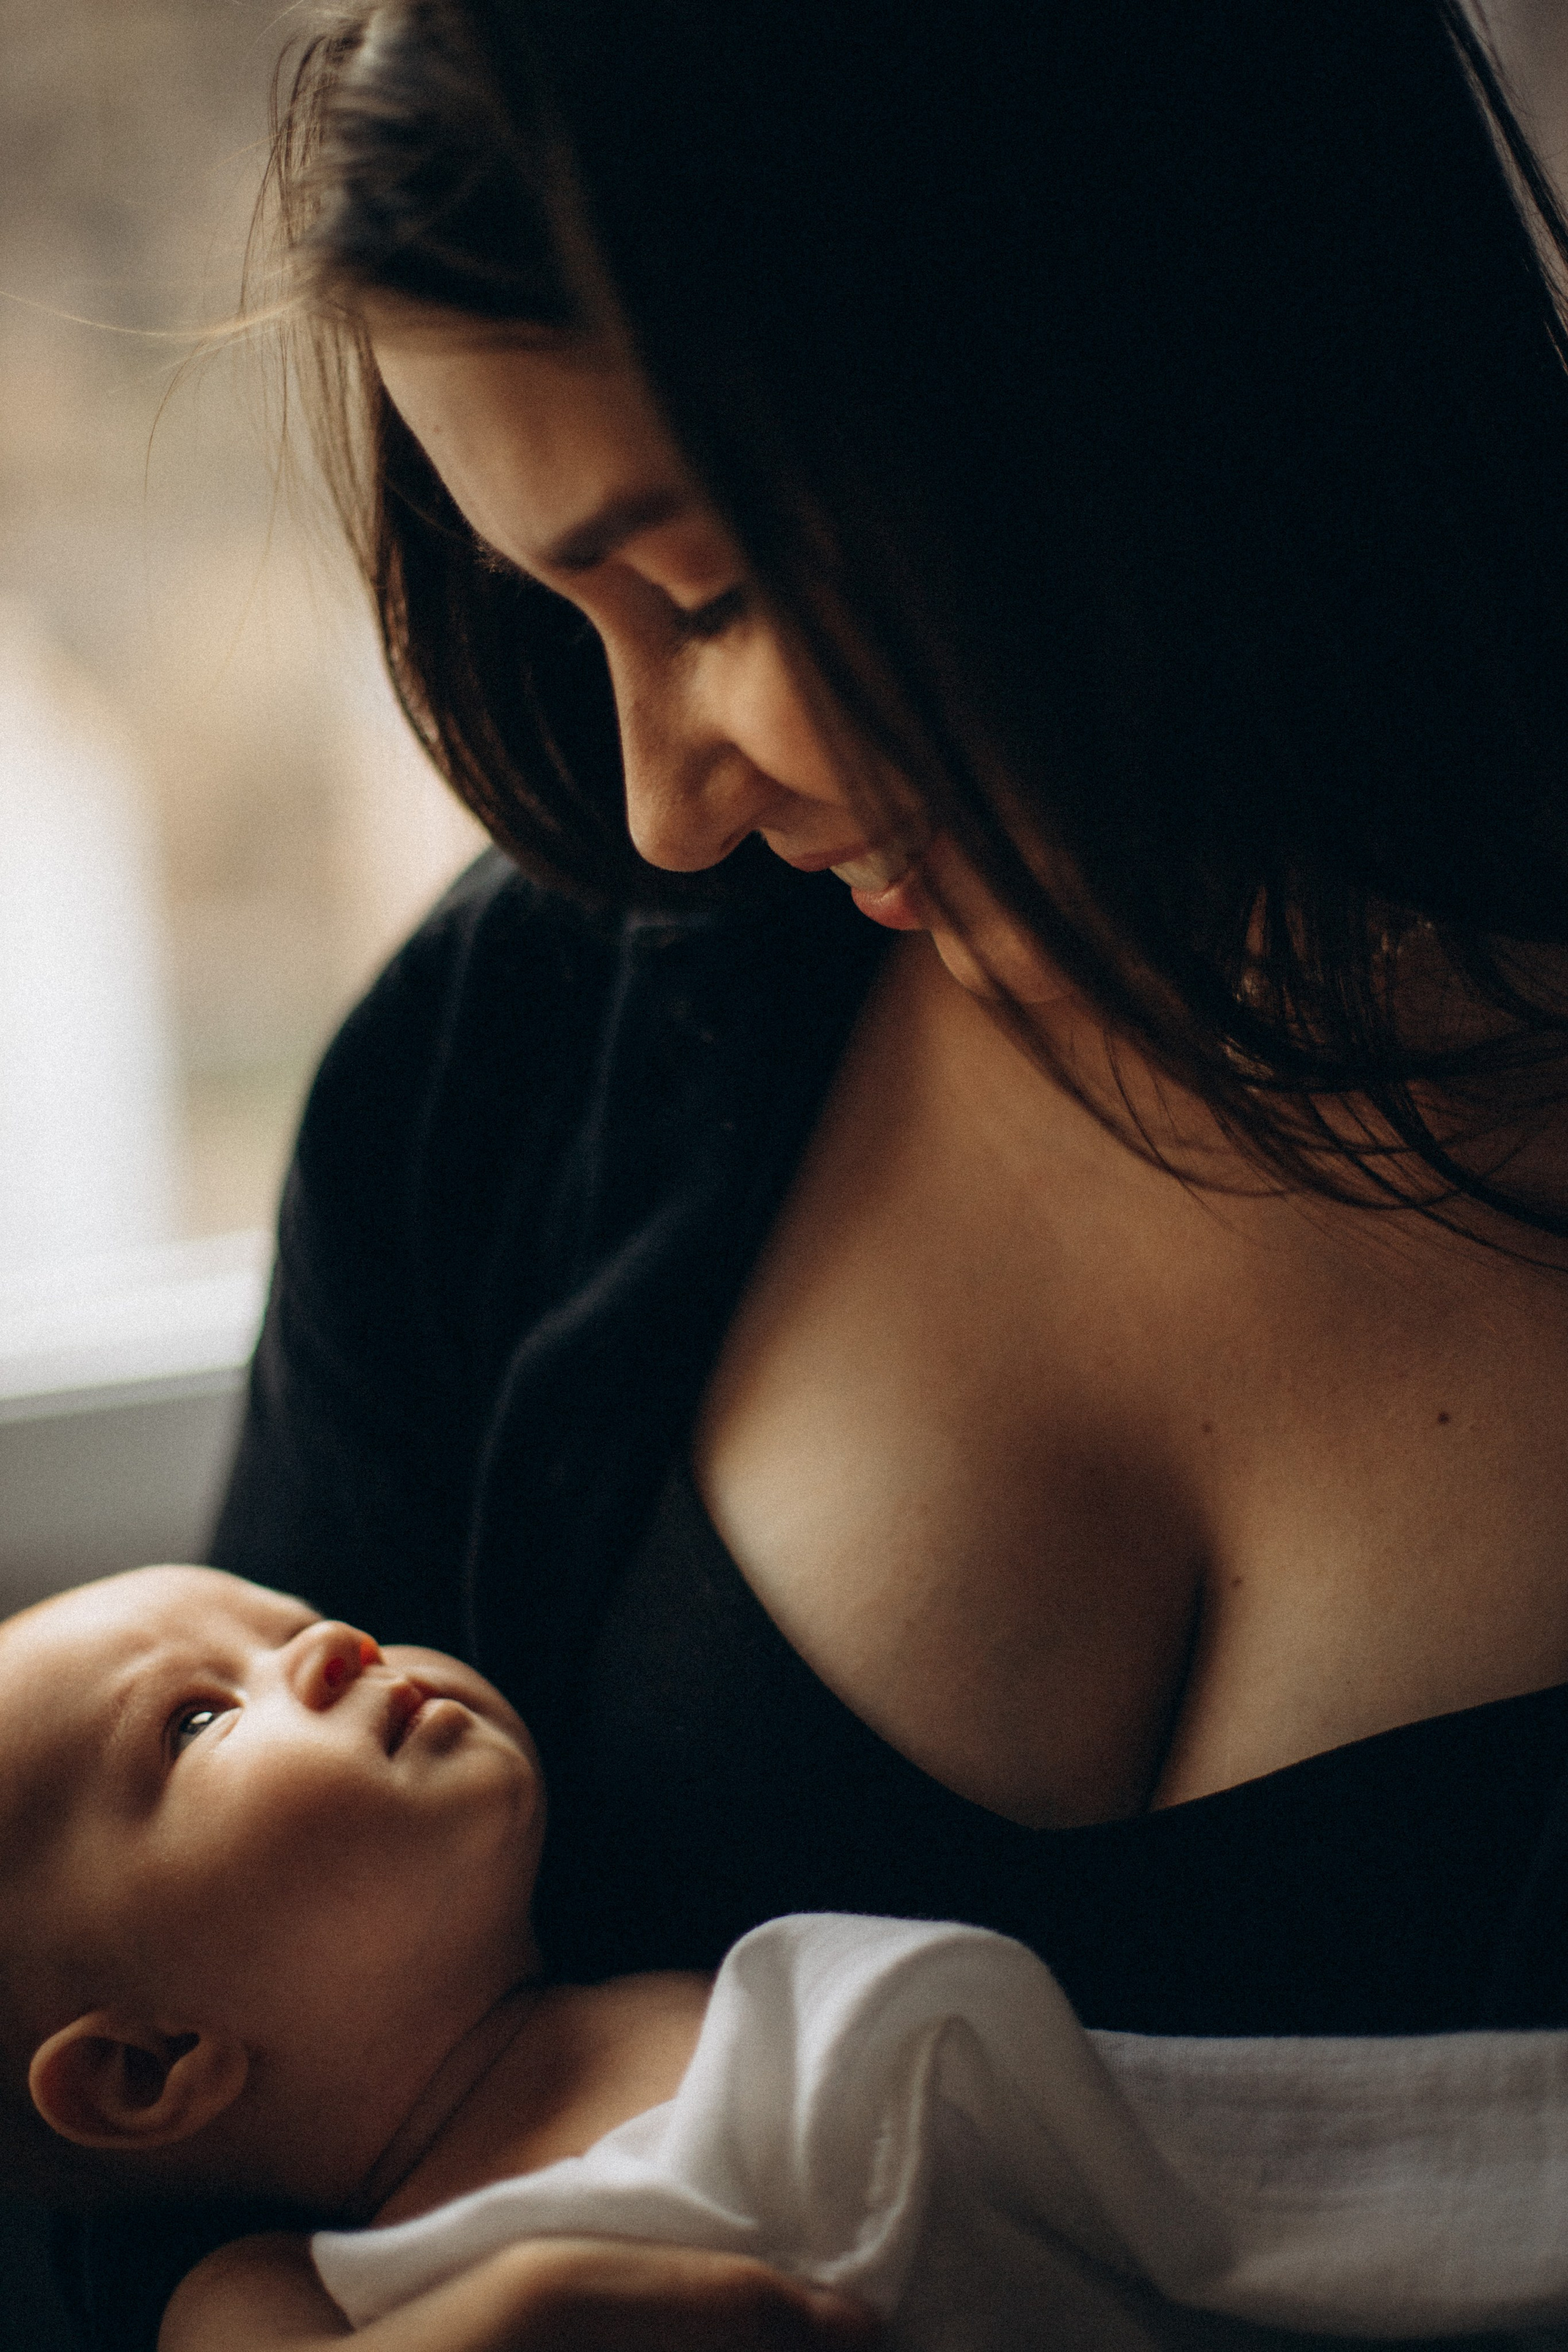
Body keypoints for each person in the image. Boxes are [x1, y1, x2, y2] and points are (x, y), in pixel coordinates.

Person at [54, 1, 1568, 2345]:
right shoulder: (526, 1064)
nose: (663, 808)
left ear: (1140, 363)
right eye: (565, 609)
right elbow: (110, 2163)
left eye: (710, 598)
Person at [15, 1568, 1568, 2352]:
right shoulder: (256, 2299)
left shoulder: (748, 1999)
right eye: (198, 1718)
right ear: (148, 2068)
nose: (331, 1646)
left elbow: (1242, 2178)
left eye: (296, 1616)